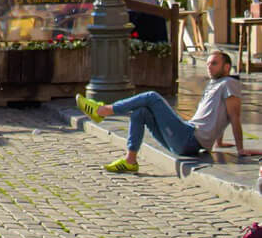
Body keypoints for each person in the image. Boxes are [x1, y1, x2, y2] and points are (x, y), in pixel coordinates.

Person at [78, 50, 251, 173]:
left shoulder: (229, 83)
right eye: (208, 64)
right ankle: (130, 160)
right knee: (141, 112)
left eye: (214, 63)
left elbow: (234, 116)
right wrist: (217, 142)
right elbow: (217, 114)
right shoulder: (214, 84)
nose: (209, 67)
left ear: (227, 67)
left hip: (189, 138)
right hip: (186, 137)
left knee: (152, 96)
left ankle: (103, 110)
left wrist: (241, 149)